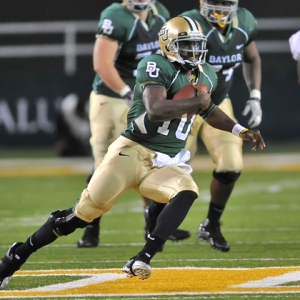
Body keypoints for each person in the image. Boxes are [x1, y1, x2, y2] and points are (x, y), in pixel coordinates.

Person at [0, 16, 265, 288]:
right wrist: (196, 102)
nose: (194, 52)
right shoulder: (154, 65)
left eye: (197, 46)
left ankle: (143, 257)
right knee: (80, 216)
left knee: (187, 191)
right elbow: (156, 109)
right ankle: (17, 255)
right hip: (131, 153)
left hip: (164, 162)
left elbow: (208, 110)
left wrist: (239, 130)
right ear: (169, 45)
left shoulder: (206, 71)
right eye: (186, 46)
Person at [147, 0, 263, 252]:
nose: (220, 6)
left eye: (225, 1)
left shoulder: (244, 21)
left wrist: (255, 94)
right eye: (216, 1)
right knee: (166, 167)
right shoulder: (188, 22)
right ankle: (154, 217)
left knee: (231, 165)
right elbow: (162, 58)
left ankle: (211, 223)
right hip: (184, 107)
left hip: (217, 104)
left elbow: (252, 57)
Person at [77, 0, 191, 248]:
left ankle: (154, 226)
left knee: (151, 159)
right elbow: (101, 63)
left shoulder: (160, 13)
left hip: (145, 95)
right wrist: (126, 91)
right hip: (112, 96)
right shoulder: (115, 16)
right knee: (104, 166)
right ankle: (89, 229)